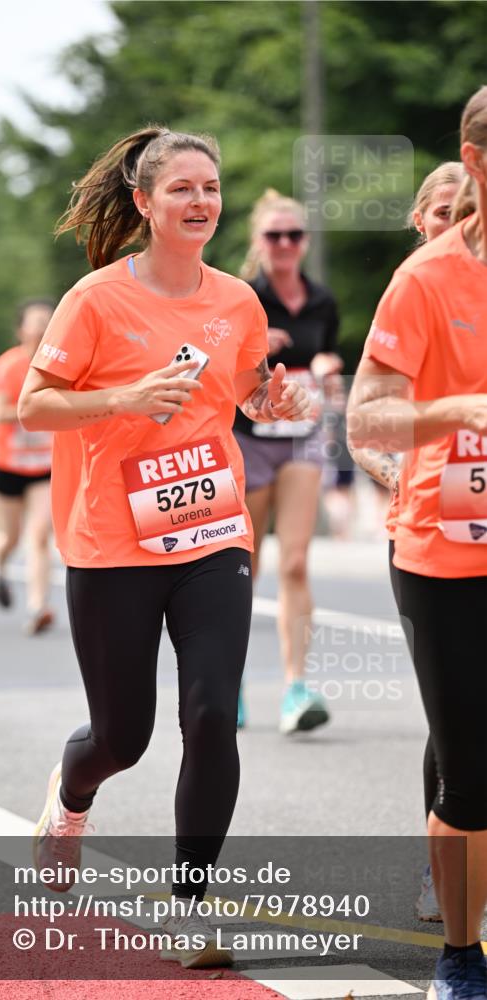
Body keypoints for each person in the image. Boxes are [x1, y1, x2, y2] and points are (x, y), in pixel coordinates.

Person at [18, 126, 311, 969]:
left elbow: (250, 394)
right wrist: (125, 396)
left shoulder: (237, 302)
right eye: (180, 188)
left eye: (210, 188)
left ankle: (191, 905)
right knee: (123, 737)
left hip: (210, 530)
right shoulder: (96, 300)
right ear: (143, 203)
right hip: (111, 542)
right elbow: (35, 407)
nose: (200, 202)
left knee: (213, 713)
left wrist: (275, 403)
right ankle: (70, 799)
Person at [347, 87, 487, 1000]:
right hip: (447, 555)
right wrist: (450, 411)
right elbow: (367, 414)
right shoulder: (428, 279)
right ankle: (460, 955)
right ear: (476, 162)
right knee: (469, 771)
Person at [233, 189, 343, 734]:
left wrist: (325, 366)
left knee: (295, 562)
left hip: (301, 437)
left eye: (293, 235)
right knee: (244, 567)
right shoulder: (242, 297)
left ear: (304, 242)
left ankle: (296, 689)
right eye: (273, 235)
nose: (283, 244)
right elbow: (220, 367)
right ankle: (230, 684)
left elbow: (326, 359)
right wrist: (255, 352)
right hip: (249, 438)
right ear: (259, 241)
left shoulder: (322, 301)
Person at [0, 299, 56, 635]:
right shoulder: (7, 365)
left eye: (48, 321)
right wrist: (35, 409)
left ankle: (37, 606)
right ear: (21, 329)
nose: (42, 327)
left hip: (45, 463)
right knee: (9, 538)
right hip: (8, 463)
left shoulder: (61, 363)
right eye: (35, 322)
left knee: (39, 534)